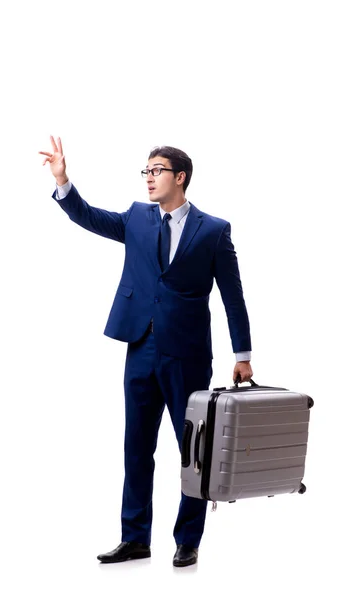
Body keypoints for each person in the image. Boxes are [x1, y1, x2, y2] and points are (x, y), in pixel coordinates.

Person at [39, 135, 253, 567]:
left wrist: (242, 354)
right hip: (140, 345)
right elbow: (89, 217)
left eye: (156, 171)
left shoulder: (213, 230)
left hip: (188, 353)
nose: (149, 178)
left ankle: (187, 539)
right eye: (146, 171)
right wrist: (63, 182)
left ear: (180, 177)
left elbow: (233, 296)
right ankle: (135, 537)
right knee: (136, 446)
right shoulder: (136, 218)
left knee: (193, 451)